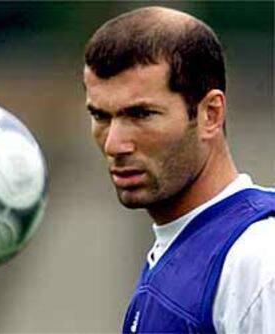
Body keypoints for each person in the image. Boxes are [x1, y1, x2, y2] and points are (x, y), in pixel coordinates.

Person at [82, 6, 275, 334]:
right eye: (101, 116)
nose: (114, 144)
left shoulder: (258, 260)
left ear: (210, 115)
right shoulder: (178, 247)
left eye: (141, 114)